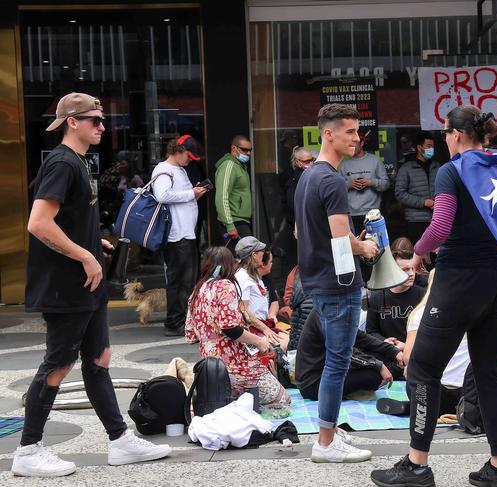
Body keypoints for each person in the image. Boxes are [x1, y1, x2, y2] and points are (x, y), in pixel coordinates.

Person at [13, 92, 170, 478]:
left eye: (102, 120)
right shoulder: (63, 163)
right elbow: (38, 223)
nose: (102, 126)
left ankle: (119, 441)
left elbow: (63, 220)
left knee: (99, 361)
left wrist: (90, 242)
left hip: (88, 283)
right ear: (72, 121)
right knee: (60, 363)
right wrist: (82, 255)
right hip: (66, 284)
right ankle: (28, 449)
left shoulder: (82, 162)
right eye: (95, 120)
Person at [371, 106, 497, 487]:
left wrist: (418, 251)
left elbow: (441, 224)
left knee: (421, 368)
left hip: (460, 279)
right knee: (490, 371)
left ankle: (417, 464)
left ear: (453, 134)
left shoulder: (453, 171)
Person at [294, 103, 379, 463]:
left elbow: (305, 231)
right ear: (328, 133)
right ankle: (326, 442)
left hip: (319, 280)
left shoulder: (309, 176)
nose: (356, 138)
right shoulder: (330, 179)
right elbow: (342, 239)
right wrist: (368, 247)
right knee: (337, 364)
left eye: (358, 132)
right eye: (349, 131)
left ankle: (328, 433)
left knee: (335, 361)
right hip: (337, 283)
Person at [185, 247, 291, 417]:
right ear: (229, 265)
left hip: (209, 368)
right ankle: (240, 401)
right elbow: (230, 328)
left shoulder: (198, 290)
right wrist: (259, 341)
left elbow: (191, 335)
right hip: (235, 366)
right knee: (282, 399)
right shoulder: (225, 286)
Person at [376, 272, 470, 418]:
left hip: (431, 394)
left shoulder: (420, 313)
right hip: (468, 394)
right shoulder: (472, 311)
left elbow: (408, 357)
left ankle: (417, 408)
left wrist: (408, 354)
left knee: (413, 372)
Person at [152, 137, 209, 336]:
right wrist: (191, 194)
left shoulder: (179, 170)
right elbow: (162, 195)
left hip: (186, 233)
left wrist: (194, 193)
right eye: (188, 155)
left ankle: (183, 319)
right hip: (176, 236)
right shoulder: (163, 170)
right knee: (179, 280)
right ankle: (174, 321)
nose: (189, 160)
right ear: (178, 150)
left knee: (188, 279)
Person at [296, 311, 402, 401]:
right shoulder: (324, 313)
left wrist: (394, 351)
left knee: (381, 358)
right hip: (313, 383)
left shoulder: (337, 310)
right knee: (373, 376)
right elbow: (342, 351)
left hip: (330, 371)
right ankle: (350, 393)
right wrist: (378, 365)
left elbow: (361, 338)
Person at [365, 243, 425, 379]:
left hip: (416, 359)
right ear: (392, 271)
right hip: (388, 359)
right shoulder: (377, 297)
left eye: (412, 269)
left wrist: (407, 346)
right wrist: (384, 342)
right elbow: (371, 331)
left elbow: (431, 333)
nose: (411, 274)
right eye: (404, 270)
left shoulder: (424, 296)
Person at [234, 236, 289, 351]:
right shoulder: (242, 277)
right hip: (252, 329)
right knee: (284, 346)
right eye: (261, 252)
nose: (263, 255)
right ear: (254, 255)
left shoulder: (253, 275)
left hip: (261, 324)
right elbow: (244, 311)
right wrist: (265, 329)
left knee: (292, 340)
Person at [339, 131, 391, 236]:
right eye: (349, 145)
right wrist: (349, 184)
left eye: (354, 144)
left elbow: (386, 184)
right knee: (355, 249)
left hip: (373, 214)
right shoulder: (343, 164)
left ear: (362, 143)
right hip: (351, 214)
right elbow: (336, 189)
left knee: (375, 248)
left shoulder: (375, 160)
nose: (352, 147)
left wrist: (371, 182)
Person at [394, 131, 440, 245]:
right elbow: (400, 194)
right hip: (416, 221)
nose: (431, 149)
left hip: (437, 219)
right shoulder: (406, 168)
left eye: (433, 147)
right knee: (419, 257)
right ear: (419, 147)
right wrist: (424, 202)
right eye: (428, 146)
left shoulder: (437, 167)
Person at [215, 135, 253, 242]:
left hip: (240, 220)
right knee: (241, 256)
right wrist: (230, 225)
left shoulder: (239, 165)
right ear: (234, 148)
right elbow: (221, 197)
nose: (248, 153)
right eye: (245, 150)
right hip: (234, 221)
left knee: (243, 256)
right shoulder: (229, 165)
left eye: (250, 150)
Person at [282, 146, 315, 226]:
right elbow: (293, 206)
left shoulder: (312, 176)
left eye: (312, 160)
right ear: (297, 162)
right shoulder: (294, 181)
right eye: (306, 161)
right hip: (301, 223)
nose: (311, 163)